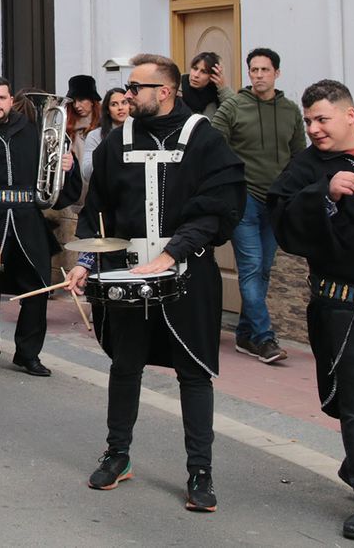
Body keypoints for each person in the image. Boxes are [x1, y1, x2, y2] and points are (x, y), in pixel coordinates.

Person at [65, 53, 246, 513]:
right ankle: (117, 454)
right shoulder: (116, 142)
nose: (127, 95)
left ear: (164, 91)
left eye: (136, 88)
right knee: (125, 365)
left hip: (188, 271)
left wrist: (172, 253)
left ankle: (200, 471)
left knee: (194, 372)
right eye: (127, 87)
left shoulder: (204, 139)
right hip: (127, 271)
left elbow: (219, 206)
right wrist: (86, 260)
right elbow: (97, 209)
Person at [268, 80, 354, 540]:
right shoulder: (305, 166)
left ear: (349, 115)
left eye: (322, 119)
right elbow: (281, 216)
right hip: (343, 305)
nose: (314, 129)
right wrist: (325, 192)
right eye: (308, 121)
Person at [0, 78, 80, 381]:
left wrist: (68, 167)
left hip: (28, 220)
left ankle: (28, 354)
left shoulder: (33, 132)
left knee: (37, 288)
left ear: (11, 100)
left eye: (2, 97)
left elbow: (58, 185)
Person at [211, 47, 305, 366]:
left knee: (263, 269)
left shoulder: (291, 110)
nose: (259, 75)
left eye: (265, 70)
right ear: (249, 73)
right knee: (251, 266)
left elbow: (299, 155)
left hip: (277, 202)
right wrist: (228, 181)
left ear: (277, 73)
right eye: (254, 70)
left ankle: (244, 334)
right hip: (245, 199)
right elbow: (212, 143)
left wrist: (292, 193)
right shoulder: (234, 106)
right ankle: (264, 338)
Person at [80, 87, 129, 191]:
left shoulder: (140, 132)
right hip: (106, 191)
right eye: (114, 104)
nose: (120, 108)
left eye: (124, 102)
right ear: (107, 110)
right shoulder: (95, 136)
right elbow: (86, 173)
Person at [178, 52, 232, 117]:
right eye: (195, 68)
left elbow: (235, 111)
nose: (196, 75)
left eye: (204, 72)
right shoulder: (176, 87)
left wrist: (223, 88)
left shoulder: (215, 94)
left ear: (213, 76)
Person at [64, 75, 102, 160]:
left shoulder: (104, 126)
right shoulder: (68, 130)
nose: (76, 105)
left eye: (81, 100)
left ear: (92, 101)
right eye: (73, 101)